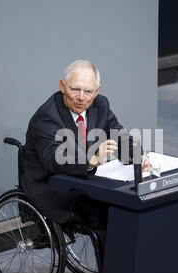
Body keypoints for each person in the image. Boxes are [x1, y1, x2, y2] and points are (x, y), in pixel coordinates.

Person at [22, 60, 149, 258]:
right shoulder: (46, 117)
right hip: (52, 186)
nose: (82, 98)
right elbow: (54, 159)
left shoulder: (100, 105)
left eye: (88, 91)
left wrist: (138, 158)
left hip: (85, 180)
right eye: (75, 89)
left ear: (97, 91)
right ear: (62, 86)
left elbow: (119, 135)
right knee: (105, 215)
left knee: (131, 204)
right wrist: (91, 161)